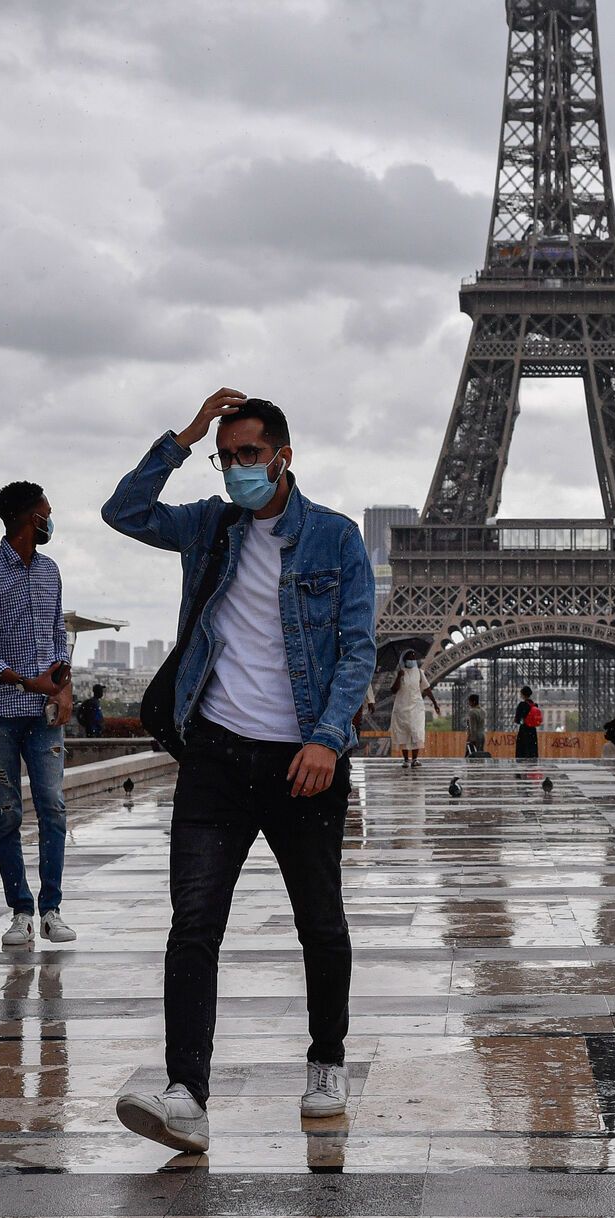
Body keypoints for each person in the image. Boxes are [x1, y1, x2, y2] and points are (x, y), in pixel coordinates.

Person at [102, 389, 375, 1153]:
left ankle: (326, 1060)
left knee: (320, 924)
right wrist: (184, 435)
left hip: (305, 763)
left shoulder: (335, 539)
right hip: (217, 756)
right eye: (226, 458)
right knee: (193, 925)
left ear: (285, 455)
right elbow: (122, 512)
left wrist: (327, 736)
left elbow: (357, 649)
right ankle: (187, 1091)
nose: (236, 470)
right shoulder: (209, 527)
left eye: (248, 455)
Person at [0, 480, 75, 950]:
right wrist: (28, 682)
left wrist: (65, 687)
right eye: (47, 510)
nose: (51, 518)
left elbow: (56, 635)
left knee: (53, 806)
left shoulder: (50, 572)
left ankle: (51, 909)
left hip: (45, 715)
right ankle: (20, 911)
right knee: (7, 813)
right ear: (31, 517)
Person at [388, 651, 439, 768]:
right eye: (410, 658)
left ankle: (415, 759)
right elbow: (393, 690)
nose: (412, 659)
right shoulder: (400, 673)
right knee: (403, 732)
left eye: (414, 657)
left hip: (416, 706)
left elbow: (427, 689)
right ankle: (406, 759)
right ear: (405, 660)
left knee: (416, 731)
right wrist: (399, 677)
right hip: (402, 706)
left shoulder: (420, 673)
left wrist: (435, 703)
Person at [515, 685, 541, 760]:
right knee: (532, 749)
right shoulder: (535, 705)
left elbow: (517, 720)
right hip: (532, 731)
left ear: (523, 694)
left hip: (524, 730)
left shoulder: (521, 705)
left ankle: (523, 767)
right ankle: (532, 763)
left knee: (522, 750)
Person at [466, 691, 490, 758]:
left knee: (471, 755)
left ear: (473, 702)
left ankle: (472, 768)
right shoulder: (483, 711)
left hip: (475, 736)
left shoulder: (472, 712)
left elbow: (473, 727)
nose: (469, 703)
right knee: (480, 754)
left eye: (469, 701)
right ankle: (480, 767)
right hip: (482, 735)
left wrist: (471, 738)